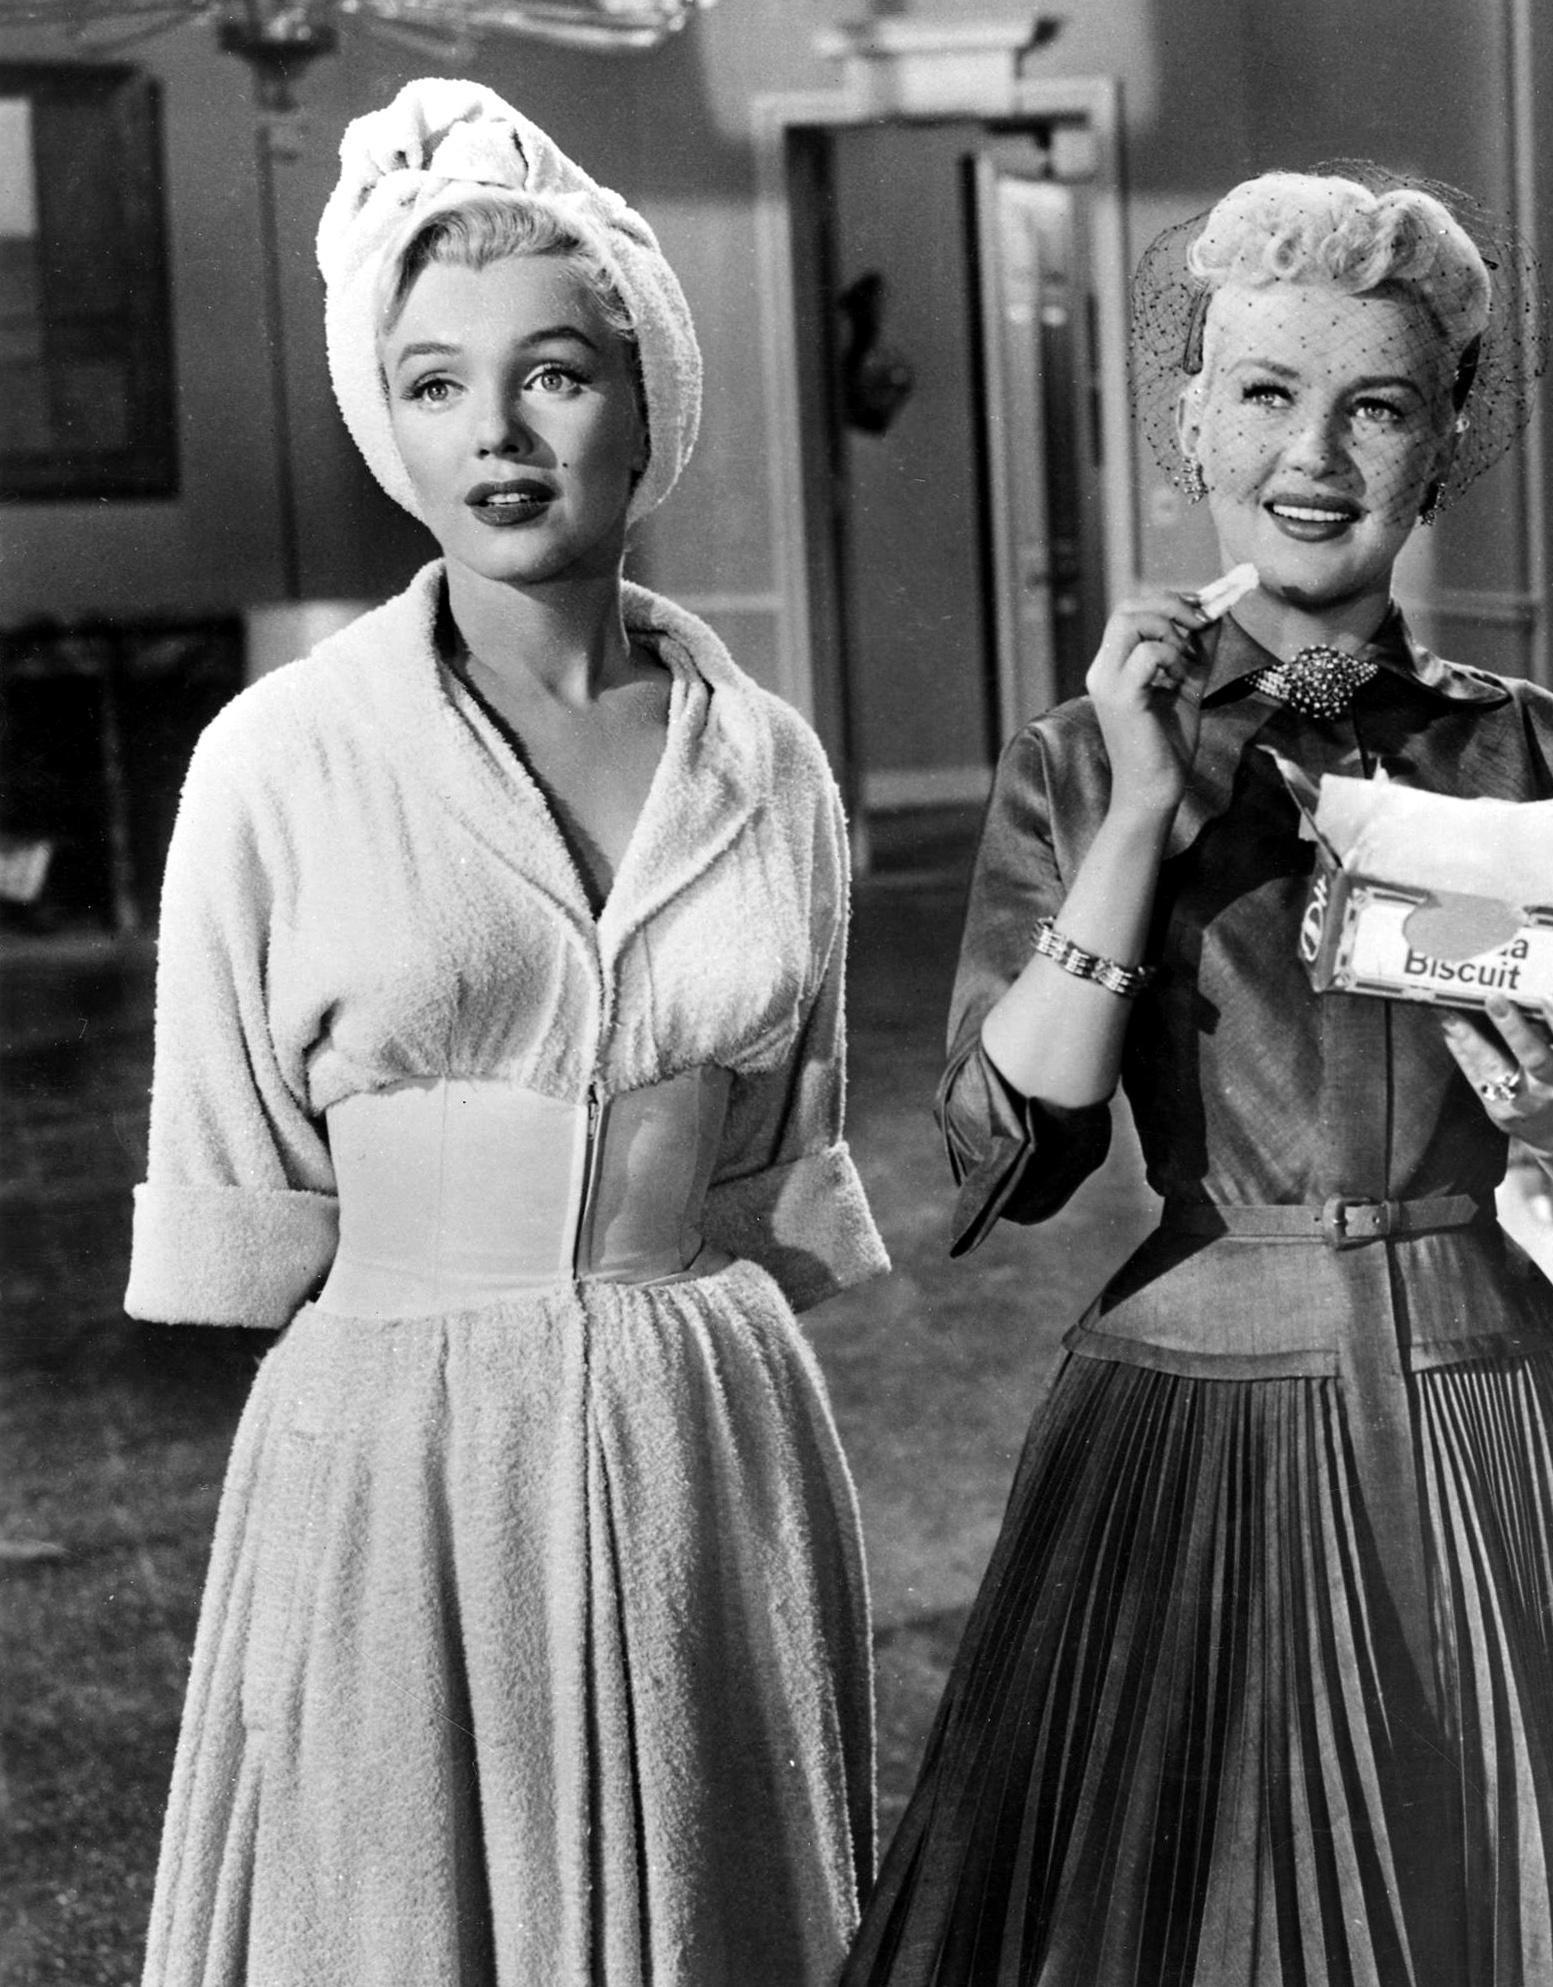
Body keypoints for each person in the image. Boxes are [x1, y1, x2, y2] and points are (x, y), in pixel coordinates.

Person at [842, 169, 1553, 1987]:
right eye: (1264, 393)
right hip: (1191, 1415)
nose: (1313, 456)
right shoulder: (1080, 759)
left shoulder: (1546, 755)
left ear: (1443, 445)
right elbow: (1010, 1155)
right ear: (1192, 426)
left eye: (1376, 406)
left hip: (1491, 1415)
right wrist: (1140, 813)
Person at [126, 81, 888, 1984]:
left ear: (645, 397)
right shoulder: (278, 761)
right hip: (398, 1451)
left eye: (551, 375)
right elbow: (237, 1173)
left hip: (704, 1425)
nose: (498, 435)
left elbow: (779, 1150)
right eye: (436, 384)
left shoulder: (771, 763)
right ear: (387, 418)